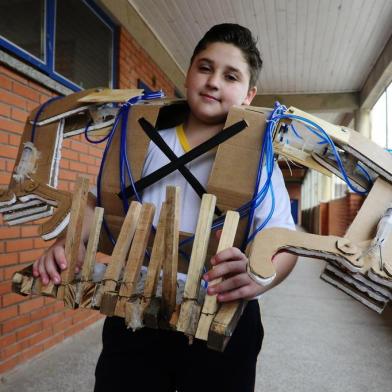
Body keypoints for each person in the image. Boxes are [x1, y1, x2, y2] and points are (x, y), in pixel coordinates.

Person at [33, 23, 297, 392]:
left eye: (230, 75)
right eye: (204, 67)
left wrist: (260, 277)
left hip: (220, 315)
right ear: (188, 73)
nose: (213, 81)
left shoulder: (260, 160)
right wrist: (71, 243)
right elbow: (103, 210)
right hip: (135, 310)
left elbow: (282, 241)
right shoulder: (140, 139)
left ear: (249, 94)